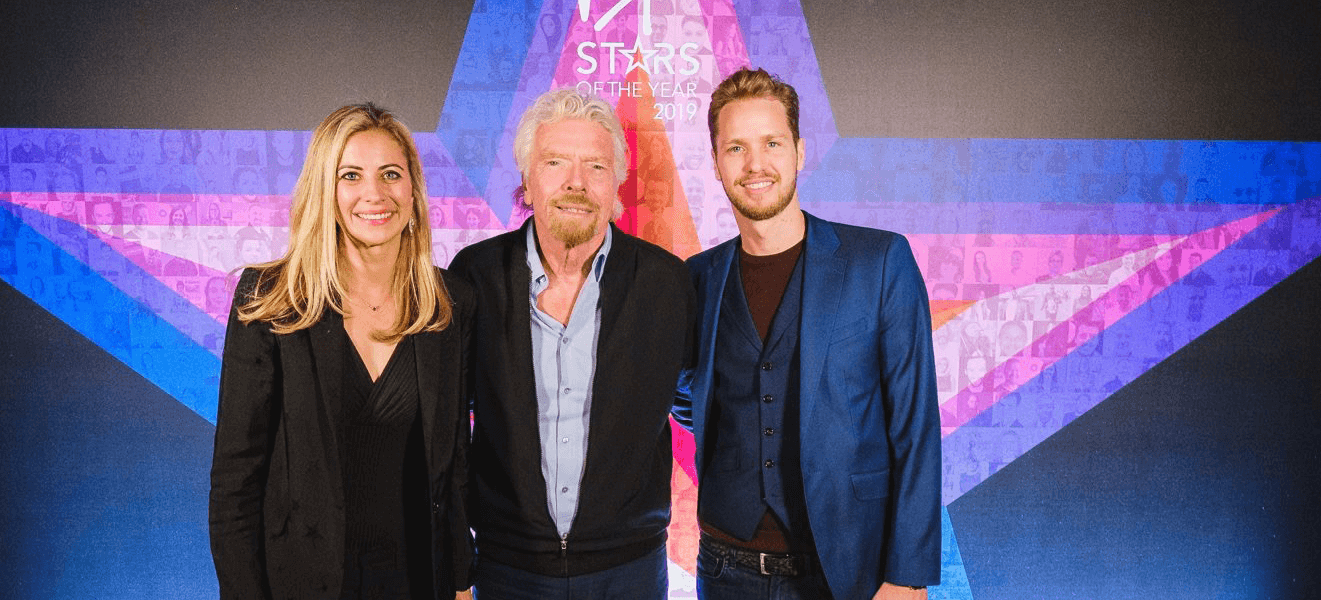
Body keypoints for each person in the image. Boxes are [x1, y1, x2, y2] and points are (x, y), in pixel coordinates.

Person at [675, 68, 941, 600]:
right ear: (716, 163)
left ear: (799, 151)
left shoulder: (880, 262)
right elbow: (688, 395)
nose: (755, 165)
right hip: (726, 569)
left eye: (772, 143)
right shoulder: (695, 277)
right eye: (736, 148)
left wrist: (907, 575)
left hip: (846, 571)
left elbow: (916, 427)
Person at [209, 104, 476, 600]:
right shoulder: (271, 300)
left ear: (413, 192)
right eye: (351, 175)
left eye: (391, 175)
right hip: (303, 584)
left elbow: (453, 463)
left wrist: (460, 582)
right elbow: (235, 482)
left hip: (416, 580)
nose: (374, 194)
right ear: (325, 192)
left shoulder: (448, 304)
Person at [448, 88, 695, 599]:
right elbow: (447, 423)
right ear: (527, 179)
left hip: (629, 571)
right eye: (555, 162)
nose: (576, 183)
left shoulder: (666, 284)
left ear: (618, 184)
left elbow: (701, 405)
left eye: (596, 166)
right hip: (507, 569)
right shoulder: (474, 277)